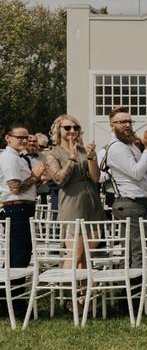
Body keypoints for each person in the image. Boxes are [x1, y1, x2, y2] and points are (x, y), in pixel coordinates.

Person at [42, 115, 106, 311]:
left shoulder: (83, 150)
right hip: (72, 203)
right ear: (58, 131)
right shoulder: (52, 153)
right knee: (75, 254)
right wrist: (70, 157)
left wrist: (91, 157)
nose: (72, 131)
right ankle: (68, 296)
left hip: (93, 202)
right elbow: (59, 179)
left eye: (75, 127)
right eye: (67, 128)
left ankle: (82, 298)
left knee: (88, 255)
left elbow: (95, 178)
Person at [100, 107, 147, 267]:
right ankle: (135, 286)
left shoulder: (131, 145)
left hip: (138, 203)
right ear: (112, 126)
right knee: (138, 249)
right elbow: (136, 173)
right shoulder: (116, 147)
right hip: (129, 202)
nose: (127, 125)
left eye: (129, 121)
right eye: (122, 122)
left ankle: (128, 285)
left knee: (135, 248)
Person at [1, 124, 47, 319]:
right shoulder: (9, 158)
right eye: (19, 137)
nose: (24, 140)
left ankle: (12, 300)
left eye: (26, 137)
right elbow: (15, 188)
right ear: (7, 138)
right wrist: (34, 177)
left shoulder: (20, 157)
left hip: (24, 208)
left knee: (20, 255)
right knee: (18, 257)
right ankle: (12, 304)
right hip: (16, 208)